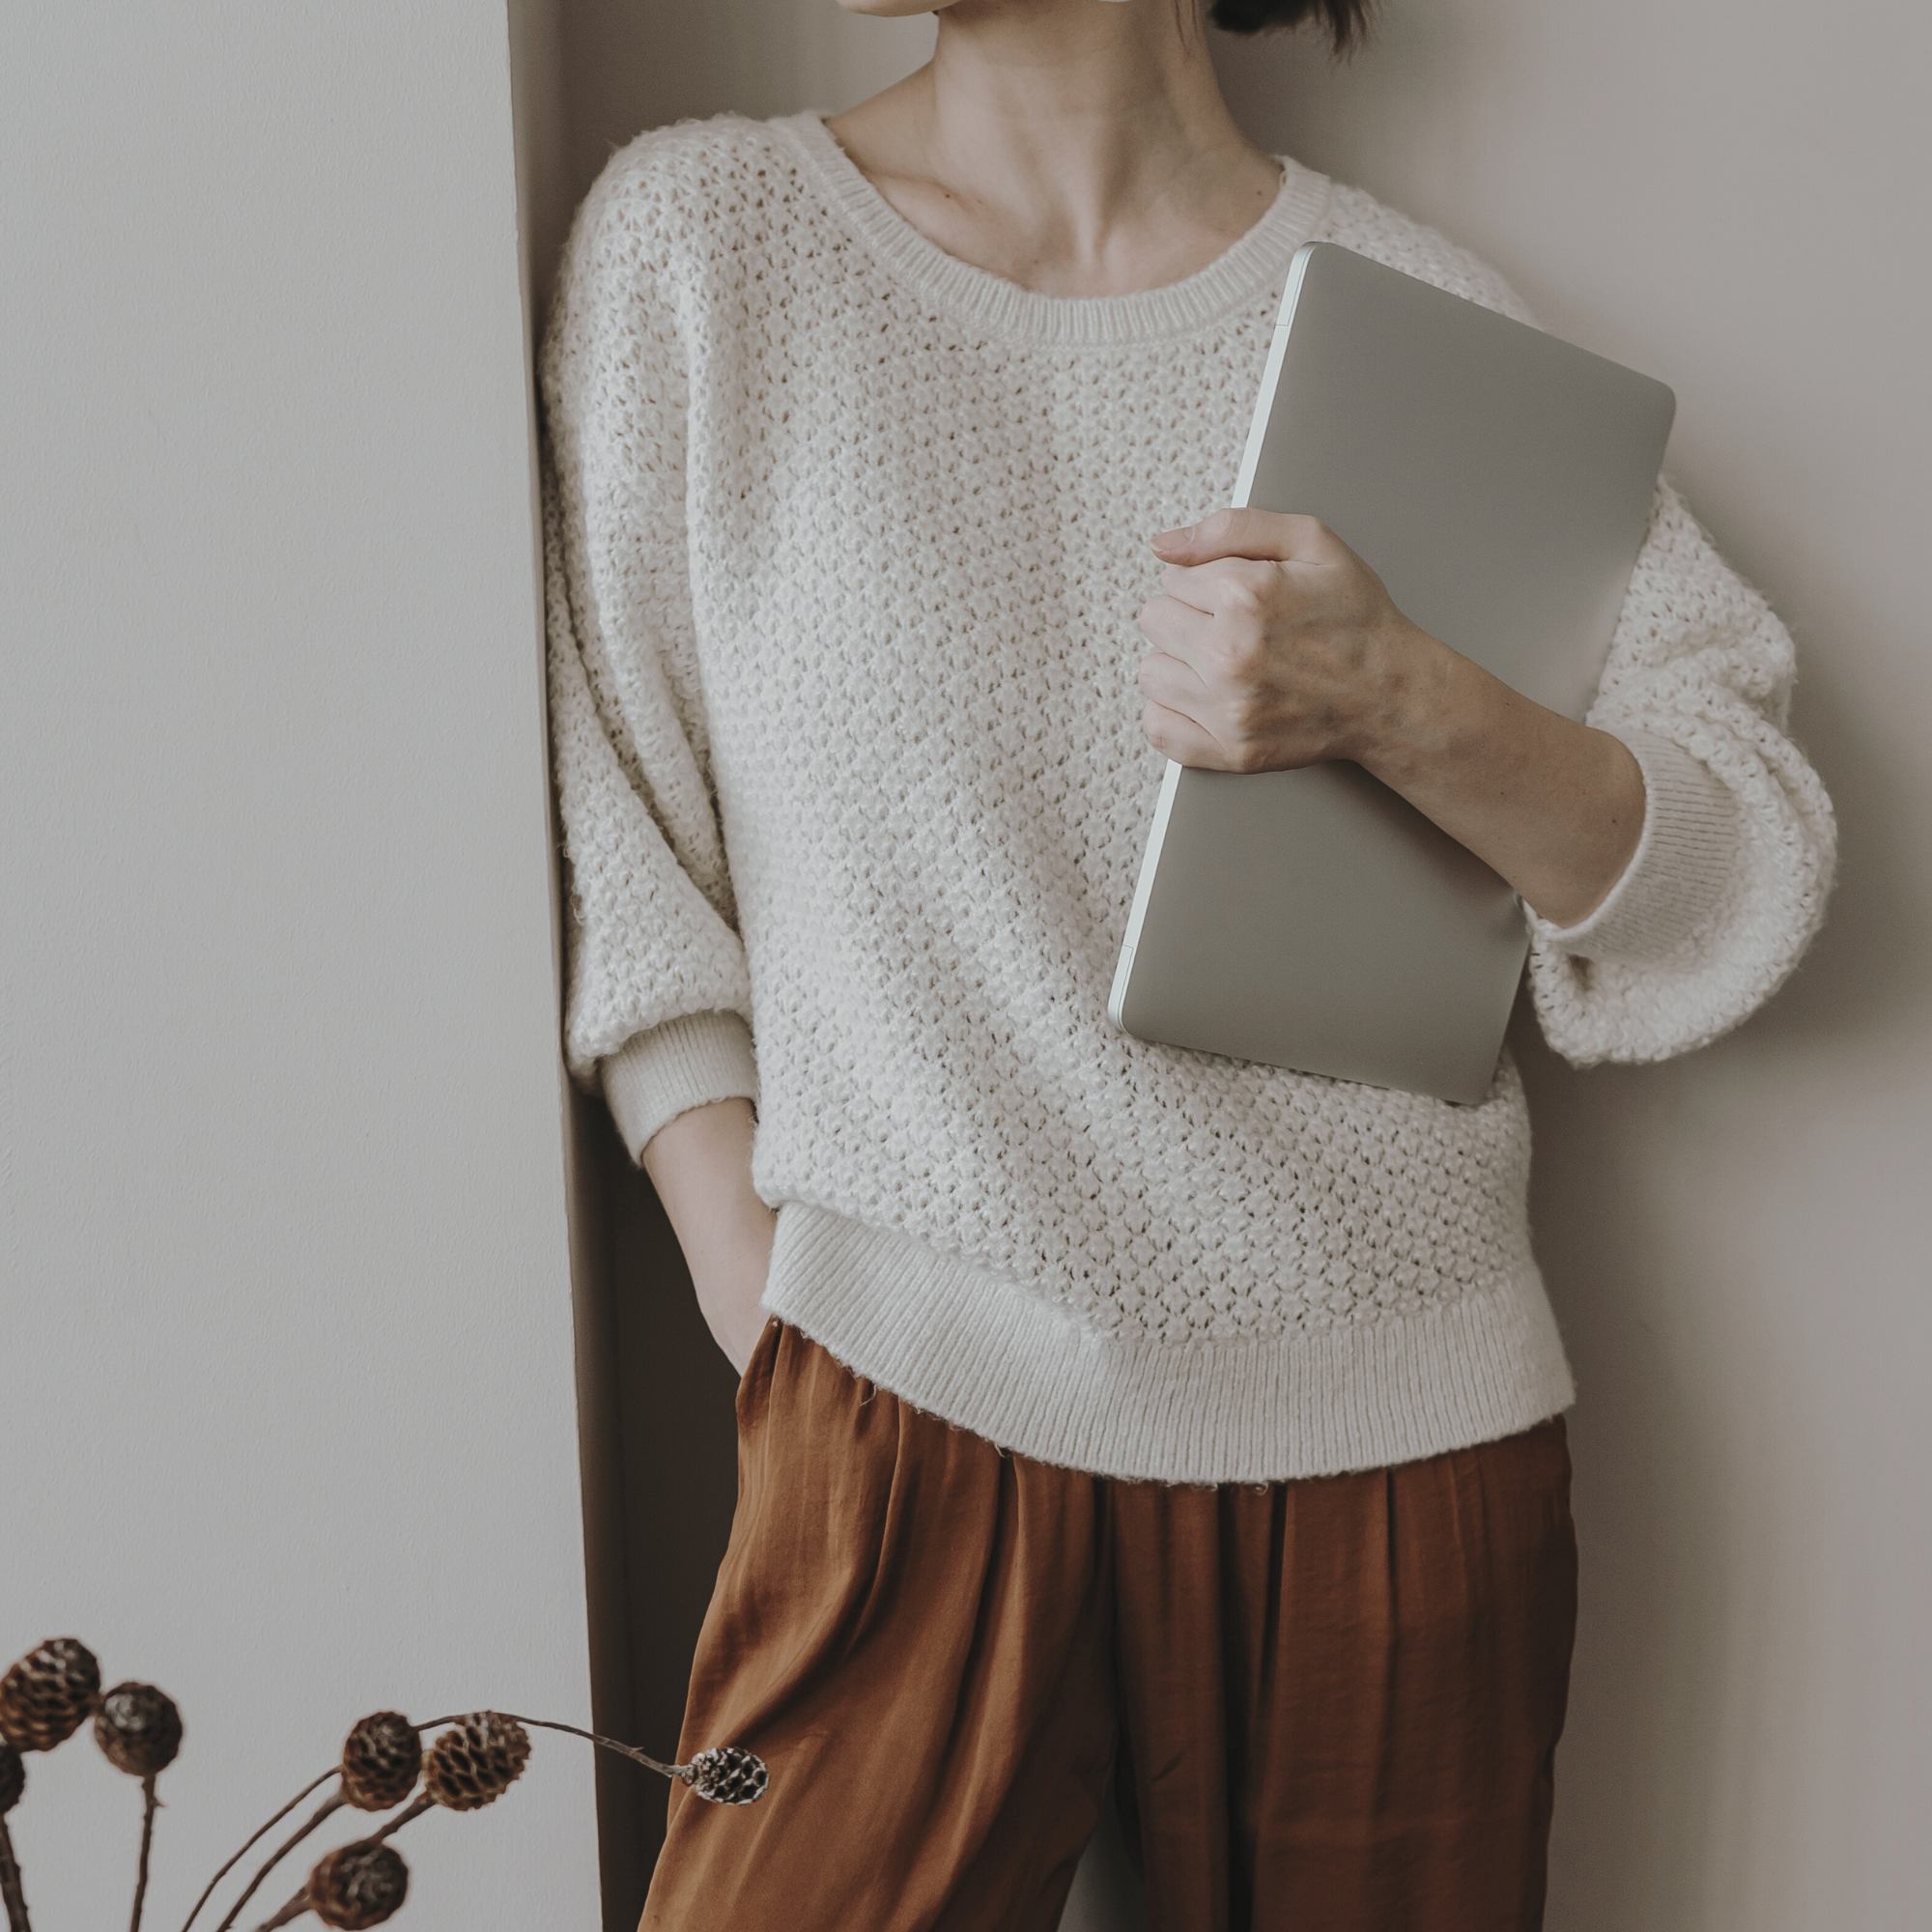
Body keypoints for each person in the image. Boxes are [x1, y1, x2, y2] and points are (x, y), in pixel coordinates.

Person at [540, 0, 1833, 1924]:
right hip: (898, 1399)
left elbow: (1743, 851)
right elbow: (625, 835)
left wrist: (1399, 699)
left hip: (1395, 1444)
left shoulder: (1421, 321)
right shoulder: (706, 243)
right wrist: (777, 1308)